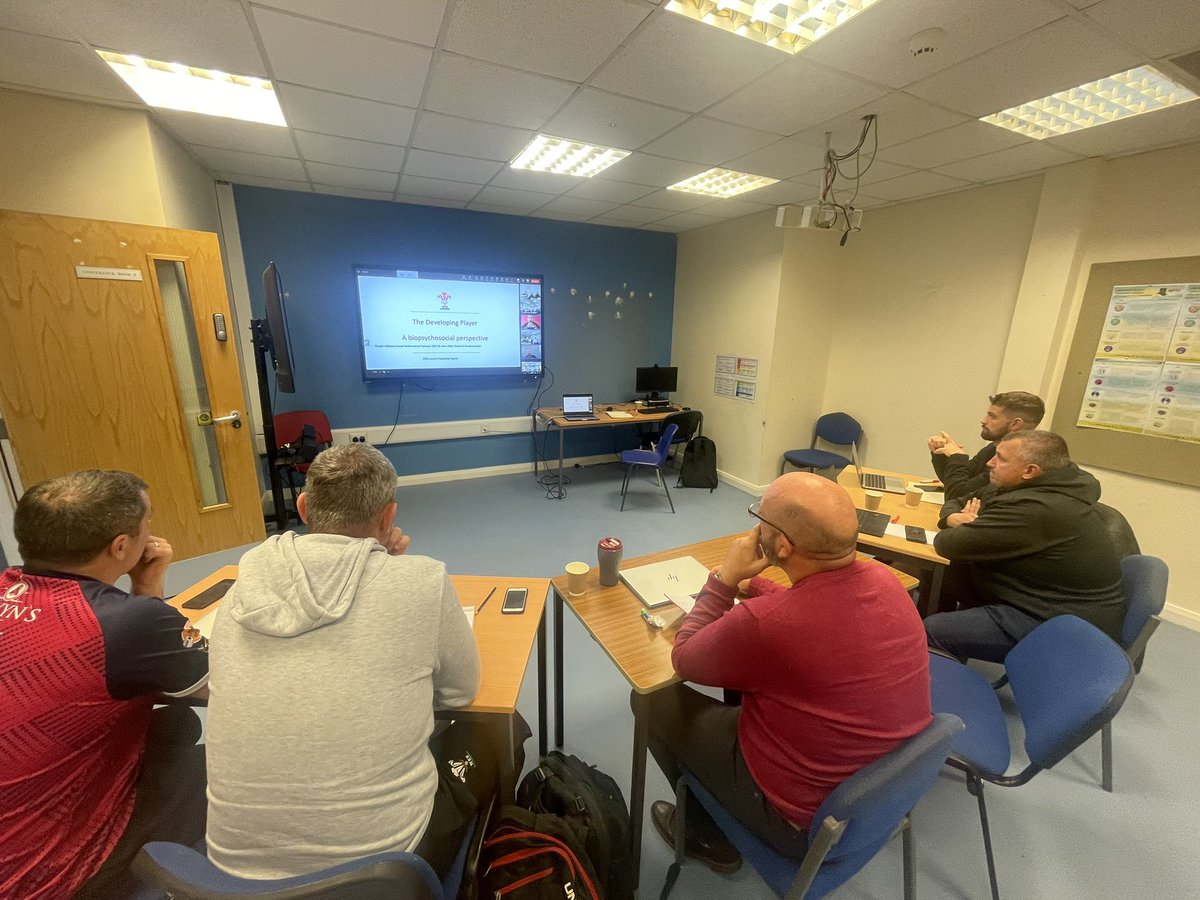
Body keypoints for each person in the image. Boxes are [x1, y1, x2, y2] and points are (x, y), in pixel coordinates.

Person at [205, 443, 517, 880]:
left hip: (230, 873)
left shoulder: (241, 591)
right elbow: (460, 692)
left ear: (303, 507)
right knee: (502, 729)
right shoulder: (422, 581)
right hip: (383, 870)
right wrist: (390, 568)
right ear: (388, 517)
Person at [639, 472, 932, 872]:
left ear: (781, 545)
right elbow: (815, 611)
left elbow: (685, 658)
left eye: (759, 516)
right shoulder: (885, 579)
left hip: (797, 823)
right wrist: (756, 586)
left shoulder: (767, 625)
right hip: (879, 793)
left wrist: (725, 581)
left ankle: (703, 833)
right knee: (749, 683)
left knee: (651, 701)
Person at [0, 470, 209, 899]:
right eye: (146, 520)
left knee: (175, 724)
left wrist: (144, 587)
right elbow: (220, 687)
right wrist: (148, 603)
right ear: (121, 546)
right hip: (38, 879)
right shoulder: (127, 623)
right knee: (211, 767)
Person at [924, 431, 1126, 663]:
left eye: (1001, 458)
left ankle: (938, 685)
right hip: (1036, 593)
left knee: (933, 627)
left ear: (1030, 470)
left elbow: (948, 544)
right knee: (946, 574)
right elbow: (959, 500)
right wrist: (953, 519)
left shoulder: (1038, 507)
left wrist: (962, 528)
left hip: (1061, 622)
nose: (990, 463)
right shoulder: (1028, 484)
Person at [928, 391, 1045, 502]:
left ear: (1015, 424)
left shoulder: (1017, 460)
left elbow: (958, 495)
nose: (983, 421)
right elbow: (955, 482)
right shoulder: (994, 448)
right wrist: (942, 454)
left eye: (992, 416)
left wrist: (957, 456)